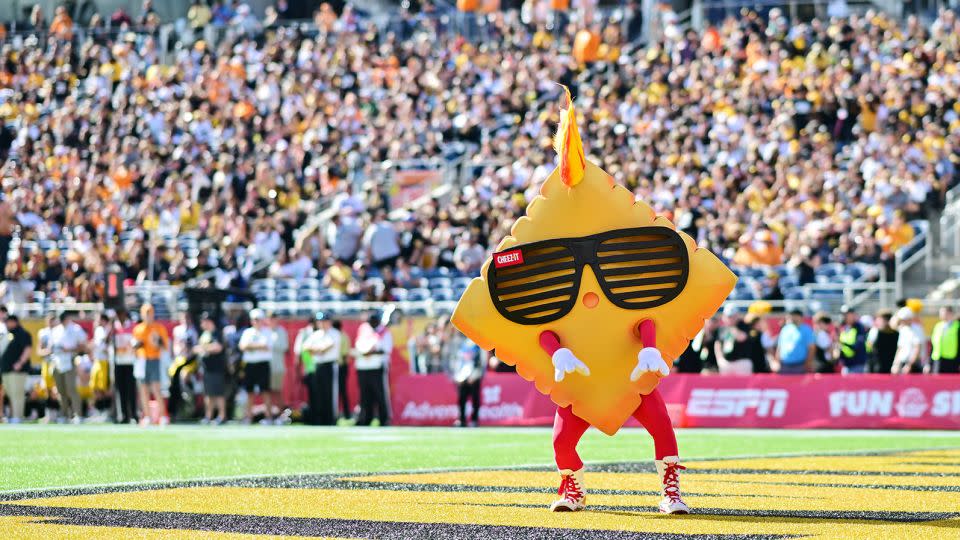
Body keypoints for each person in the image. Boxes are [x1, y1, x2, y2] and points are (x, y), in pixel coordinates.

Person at [354, 308, 394, 426]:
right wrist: (364, 352)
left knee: (381, 395)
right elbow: (359, 346)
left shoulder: (384, 332)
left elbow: (386, 350)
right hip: (362, 367)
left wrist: (370, 353)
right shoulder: (363, 329)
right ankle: (365, 418)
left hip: (377, 367)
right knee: (365, 396)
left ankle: (384, 419)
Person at [132, 303, 170, 426]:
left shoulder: (159, 328)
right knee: (143, 390)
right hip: (142, 361)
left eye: (150, 313)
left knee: (156, 389)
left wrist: (157, 341)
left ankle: (163, 416)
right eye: (146, 313)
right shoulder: (138, 329)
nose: (148, 316)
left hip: (155, 359)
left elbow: (164, 346)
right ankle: (147, 416)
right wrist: (137, 346)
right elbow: (134, 348)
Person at [303, 312, 341, 425]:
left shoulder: (335, 333)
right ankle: (319, 419)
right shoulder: (316, 334)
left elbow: (324, 349)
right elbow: (305, 348)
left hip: (329, 365)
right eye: (320, 321)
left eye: (324, 321)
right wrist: (317, 349)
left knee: (329, 393)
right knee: (317, 393)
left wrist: (315, 349)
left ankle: (330, 419)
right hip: (317, 366)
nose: (322, 323)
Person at [49, 311, 87, 424]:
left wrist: (69, 349)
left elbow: (83, 346)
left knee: (71, 389)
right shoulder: (56, 330)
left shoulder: (76, 329)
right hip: (57, 361)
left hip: (69, 361)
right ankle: (64, 414)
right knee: (61, 391)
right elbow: (51, 346)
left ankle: (78, 414)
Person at [238, 309, 275, 424]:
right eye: (254, 319)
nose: (256, 322)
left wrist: (251, 346)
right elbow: (242, 346)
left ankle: (269, 417)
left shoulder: (267, 332)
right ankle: (248, 417)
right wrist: (257, 346)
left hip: (263, 364)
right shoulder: (247, 332)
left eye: (258, 319)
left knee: (265, 391)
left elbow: (266, 346)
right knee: (249, 392)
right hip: (249, 365)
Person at [194, 312, 227, 425]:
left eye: (204, 321)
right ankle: (208, 416)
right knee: (208, 394)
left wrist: (203, 348)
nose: (202, 324)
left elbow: (218, 347)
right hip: (206, 368)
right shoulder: (205, 334)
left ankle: (222, 416)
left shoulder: (216, 333)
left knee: (218, 393)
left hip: (216, 368)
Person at [0, 315, 33, 423]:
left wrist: (20, 363)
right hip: (6, 370)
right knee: (11, 393)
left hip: (17, 370)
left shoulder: (23, 333)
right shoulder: (8, 335)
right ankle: (14, 416)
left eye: (8, 321)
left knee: (17, 394)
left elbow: (28, 349)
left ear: (14, 322)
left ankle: (17, 416)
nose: (6, 324)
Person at [451, 335, 485, 427]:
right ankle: (462, 419)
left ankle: (474, 420)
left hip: (474, 377)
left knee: (475, 399)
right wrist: (457, 376)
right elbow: (456, 360)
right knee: (461, 399)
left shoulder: (479, 343)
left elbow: (482, 362)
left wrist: (476, 375)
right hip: (462, 377)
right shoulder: (461, 343)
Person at [294, 314, 321, 425]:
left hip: (320, 367)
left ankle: (320, 417)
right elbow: (298, 352)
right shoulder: (304, 333)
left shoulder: (321, 333)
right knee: (312, 394)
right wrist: (298, 370)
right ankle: (313, 417)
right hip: (309, 368)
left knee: (321, 394)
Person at [113, 309, 138, 424]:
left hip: (130, 362)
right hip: (118, 362)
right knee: (120, 390)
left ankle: (134, 414)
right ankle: (123, 415)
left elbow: (136, 342)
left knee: (131, 390)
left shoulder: (133, 326)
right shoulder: (114, 327)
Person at [774, 309, 815, 374]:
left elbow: (811, 348)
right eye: (791, 316)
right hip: (784, 364)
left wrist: (808, 363)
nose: (792, 318)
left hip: (800, 365)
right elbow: (780, 346)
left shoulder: (807, 330)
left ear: (800, 317)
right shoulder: (785, 329)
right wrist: (776, 361)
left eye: (794, 316)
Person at [89, 313, 113, 418]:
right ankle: (98, 410)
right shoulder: (98, 330)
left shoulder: (108, 330)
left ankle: (106, 411)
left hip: (105, 362)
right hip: (97, 361)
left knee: (105, 389)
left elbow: (106, 347)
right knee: (95, 387)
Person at [266, 312, 289, 412]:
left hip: (277, 366)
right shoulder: (265, 331)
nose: (271, 320)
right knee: (267, 392)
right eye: (270, 318)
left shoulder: (281, 331)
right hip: (266, 366)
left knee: (277, 391)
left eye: (273, 318)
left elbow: (284, 347)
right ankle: (269, 415)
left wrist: (269, 345)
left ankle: (282, 415)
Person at [837, 306, 869, 374]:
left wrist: (842, 344)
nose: (844, 316)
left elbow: (857, 346)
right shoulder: (843, 327)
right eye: (843, 314)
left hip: (857, 365)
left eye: (846, 314)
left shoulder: (859, 327)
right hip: (846, 364)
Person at [892, 307, 924, 374]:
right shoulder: (903, 329)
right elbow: (900, 348)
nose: (901, 321)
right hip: (903, 362)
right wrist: (895, 364)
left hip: (914, 364)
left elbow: (917, 348)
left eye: (903, 320)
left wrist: (909, 365)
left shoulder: (917, 329)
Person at [930, 307, 960, 374]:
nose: (940, 315)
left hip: (952, 360)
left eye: (943, 312)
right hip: (937, 359)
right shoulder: (937, 326)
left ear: (950, 313)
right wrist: (930, 363)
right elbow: (933, 344)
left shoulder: (957, 326)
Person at [333, 319, 352, 420]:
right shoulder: (344, 336)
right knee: (342, 391)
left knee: (337, 391)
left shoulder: (338, 336)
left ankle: (339, 413)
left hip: (339, 366)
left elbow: (344, 355)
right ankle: (346, 414)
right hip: (342, 367)